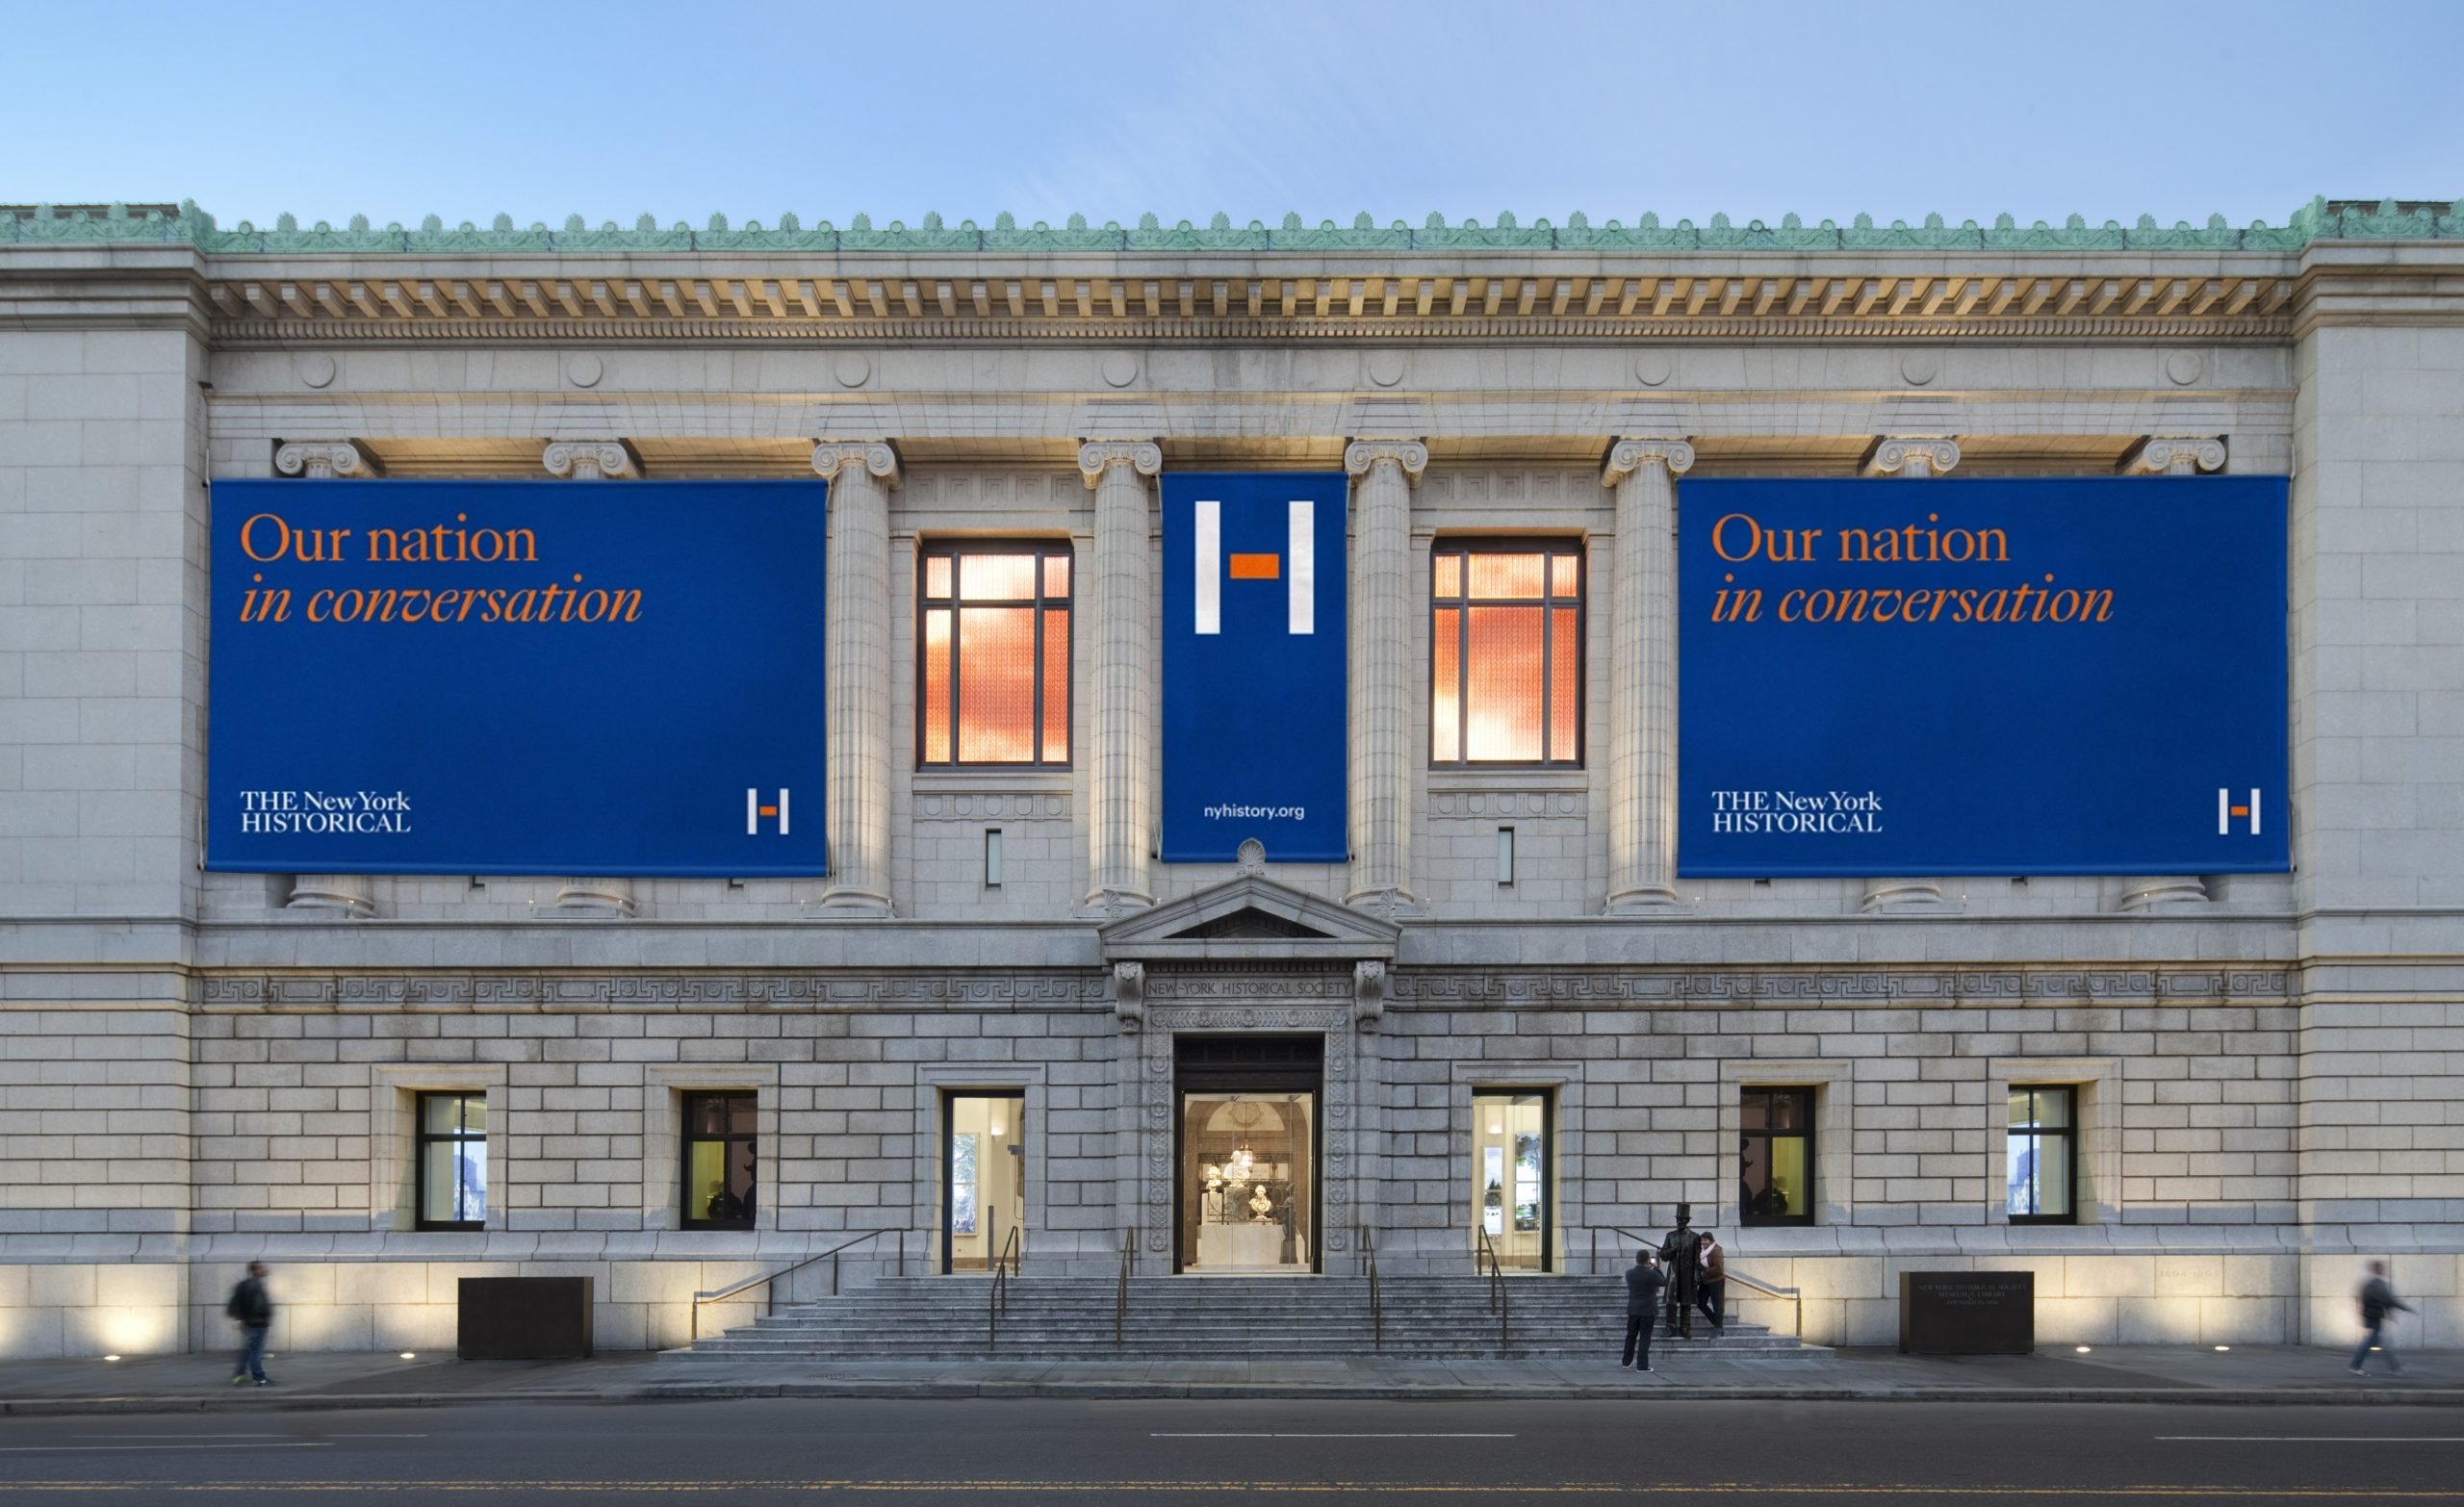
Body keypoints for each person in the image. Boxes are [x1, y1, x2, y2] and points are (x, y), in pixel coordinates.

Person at [2351, 1261, 2414, 1375]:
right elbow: (2389, 1300)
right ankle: (2355, 1365)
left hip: (2370, 1315)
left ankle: (2395, 1367)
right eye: (2382, 1268)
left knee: (2379, 1342)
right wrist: (2406, 1308)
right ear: (2377, 1270)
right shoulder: (2378, 1284)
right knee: (2375, 1342)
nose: (2384, 1270)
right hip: (2374, 1316)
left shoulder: (2368, 1283)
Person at [226, 1262, 274, 1387]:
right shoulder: (255, 1286)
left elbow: (236, 1304)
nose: (265, 1269)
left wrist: (241, 1318)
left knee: (248, 1350)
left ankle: (238, 1375)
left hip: (250, 1323)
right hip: (257, 1323)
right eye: (261, 1267)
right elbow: (259, 1306)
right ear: (255, 1271)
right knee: (255, 1352)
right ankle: (259, 1378)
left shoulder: (245, 1285)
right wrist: (265, 1315)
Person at [1659, 1204, 1703, 1340]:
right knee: (1671, 1302)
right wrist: (1673, 1250)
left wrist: (1697, 1275)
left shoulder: (1695, 1237)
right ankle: (1670, 1327)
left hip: (1687, 1274)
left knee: (1686, 1302)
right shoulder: (1670, 1236)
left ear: (1687, 1221)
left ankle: (1685, 1328)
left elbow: (1697, 1258)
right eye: (1678, 1219)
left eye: (1683, 1219)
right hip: (1673, 1274)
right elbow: (1663, 1255)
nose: (1680, 1222)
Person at [1622, 1249, 1667, 1372]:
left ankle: (1626, 1361)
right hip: (1647, 1310)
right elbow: (1664, 1282)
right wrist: (1656, 1268)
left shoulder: (1629, 1273)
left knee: (1631, 1336)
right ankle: (1642, 1366)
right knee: (1645, 1337)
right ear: (1648, 1260)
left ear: (1636, 1259)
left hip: (1633, 1309)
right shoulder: (1651, 1274)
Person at [1696, 1228, 1727, 1334]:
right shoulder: (1702, 1251)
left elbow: (1719, 1269)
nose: (1703, 1242)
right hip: (1705, 1281)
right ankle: (1716, 1322)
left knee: (1717, 1304)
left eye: (1706, 1240)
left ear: (1711, 1241)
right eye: (1702, 1240)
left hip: (1716, 1281)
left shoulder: (1716, 1251)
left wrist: (1704, 1271)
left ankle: (1718, 1328)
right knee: (1700, 1303)